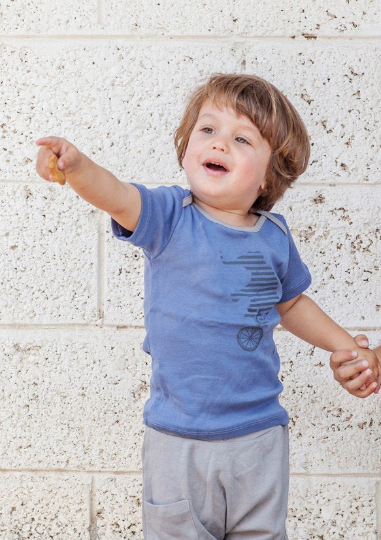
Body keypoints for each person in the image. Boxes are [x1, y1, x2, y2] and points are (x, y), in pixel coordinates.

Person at [36, 73, 381, 540]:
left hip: (259, 438)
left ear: (269, 175)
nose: (219, 143)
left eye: (242, 138)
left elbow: (292, 302)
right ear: (186, 148)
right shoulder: (168, 217)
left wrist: (349, 349)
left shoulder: (274, 237)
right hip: (178, 441)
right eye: (208, 129)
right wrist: (77, 168)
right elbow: (115, 193)